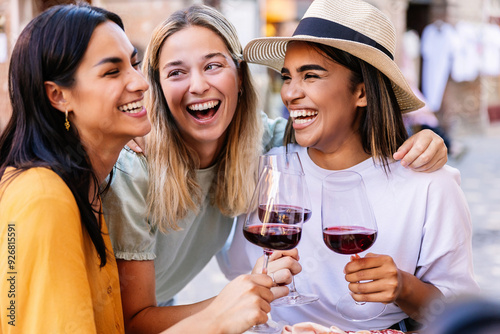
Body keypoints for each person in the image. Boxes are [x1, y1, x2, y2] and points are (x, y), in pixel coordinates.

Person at [102, 4, 449, 333]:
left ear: (239, 77)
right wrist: (231, 304)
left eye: (212, 65)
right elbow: (129, 320)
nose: (197, 85)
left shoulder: (260, 144)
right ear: (157, 86)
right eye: (176, 72)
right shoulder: (137, 165)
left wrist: (427, 141)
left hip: (165, 305)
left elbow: (333, 134)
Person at [219, 0, 479, 332]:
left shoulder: (429, 184)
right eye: (287, 77)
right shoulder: (271, 170)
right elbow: (239, 274)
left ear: (361, 92)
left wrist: (404, 287)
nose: (289, 93)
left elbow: (462, 315)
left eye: (310, 75)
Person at [0, 3, 151, 332]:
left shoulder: (85, 184)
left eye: (134, 64)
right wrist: (217, 320)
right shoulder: (44, 199)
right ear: (57, 95)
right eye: (112, 71)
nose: (141, 83)